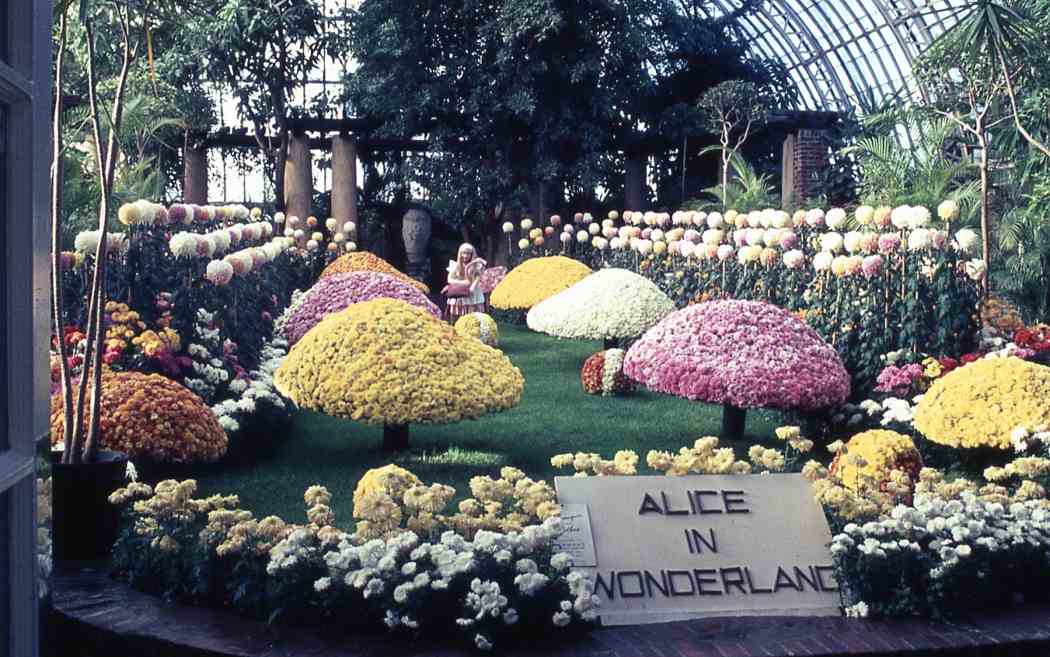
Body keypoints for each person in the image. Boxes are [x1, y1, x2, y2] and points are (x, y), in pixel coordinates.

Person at [445, 243, 487, 321]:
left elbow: (478, 278)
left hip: (473, 293)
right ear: (460, 253)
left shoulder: (476, 265)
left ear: (472, 254)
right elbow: (449, 279)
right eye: (463, 253)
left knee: (474, 317)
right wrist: (463, 283)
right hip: (460, 293)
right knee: (457, 317)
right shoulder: (456, 265)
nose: (465, 255)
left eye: (468, 253)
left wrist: (472, 288)